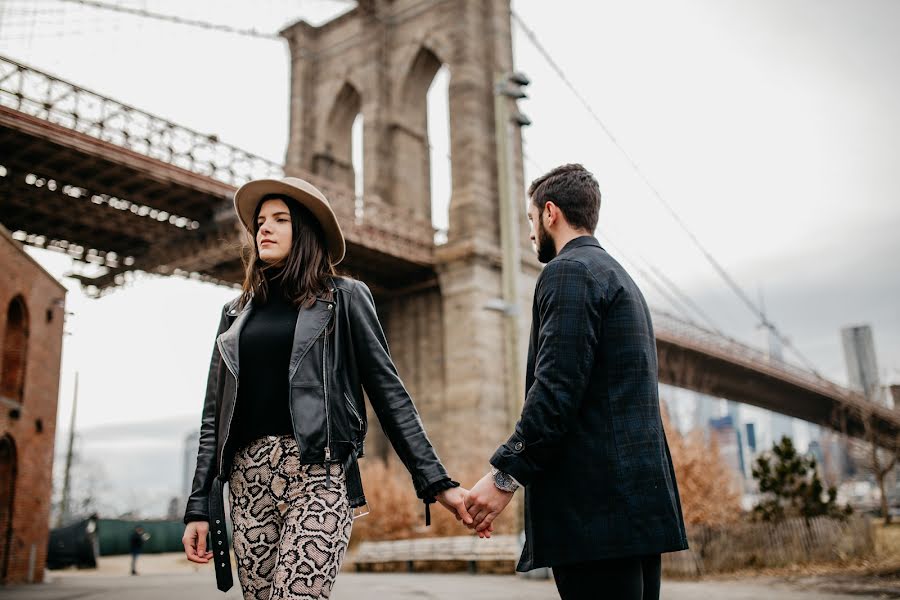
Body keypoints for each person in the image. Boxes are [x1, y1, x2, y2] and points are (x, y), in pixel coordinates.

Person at [181, 177, 473, 599]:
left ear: (306, 231)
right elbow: (214, 419)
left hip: (318, 475)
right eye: (261, 221)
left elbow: (389, 394)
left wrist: (436, 482)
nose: (264, 228)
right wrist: (199, 507)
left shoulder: (345, 297)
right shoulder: (234, 314)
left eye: (280, 219)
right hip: (247, 485)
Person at [463, 164, 689, 600]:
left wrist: (504, 477)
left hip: (596, 514)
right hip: (638, 510)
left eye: (530, 221)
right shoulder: (621, 278)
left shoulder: (568, 272)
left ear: (550, 214)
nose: (531, 234)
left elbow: (555, 391)